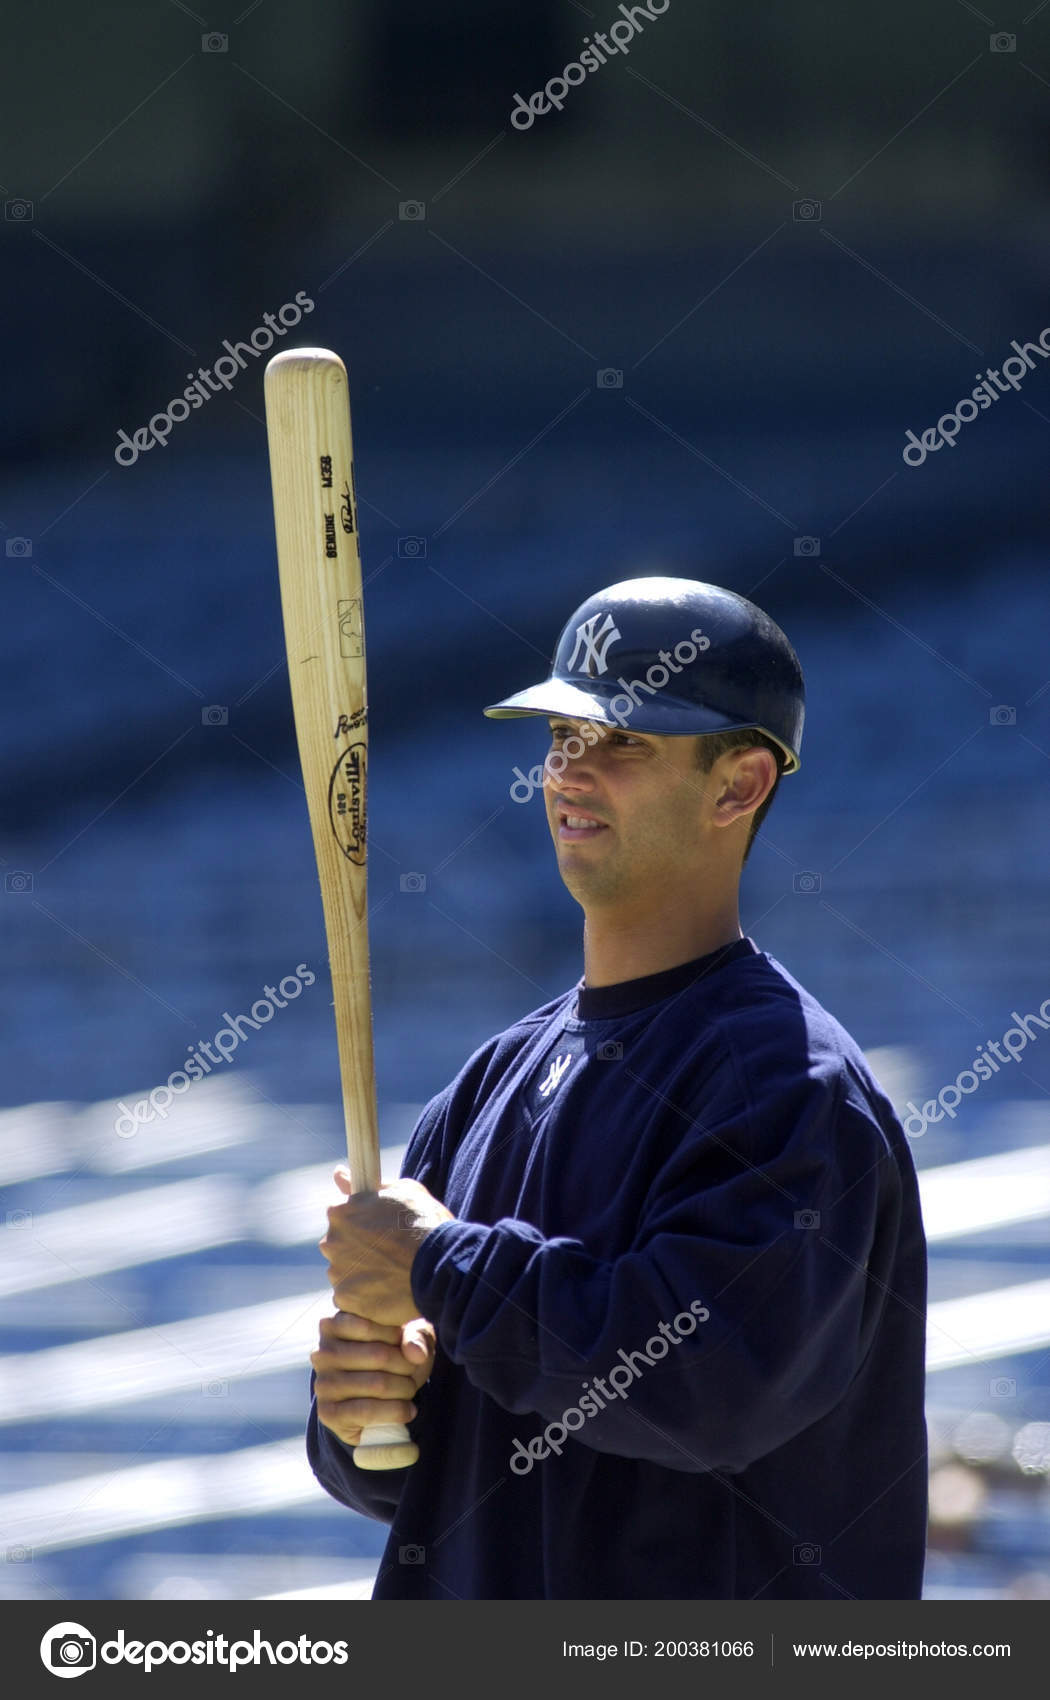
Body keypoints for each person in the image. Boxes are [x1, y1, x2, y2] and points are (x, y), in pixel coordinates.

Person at [307, 577, 928, 1601]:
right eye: (560, 735)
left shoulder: (789, 1084)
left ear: (739, 785)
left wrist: (439, 1268)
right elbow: (431, 1478)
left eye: (623, 741)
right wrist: (364, 1416)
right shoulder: (484, 1085)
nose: (569, 771)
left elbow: (706, 1385)